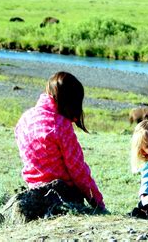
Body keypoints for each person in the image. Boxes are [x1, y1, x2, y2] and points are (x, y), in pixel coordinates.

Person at [15, 71, 105, 210]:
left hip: (33, 189)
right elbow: (78, 171)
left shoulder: (25, 118)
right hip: (62, 193)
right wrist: (98, 204)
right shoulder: (60, 125)